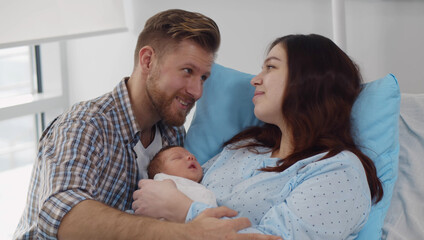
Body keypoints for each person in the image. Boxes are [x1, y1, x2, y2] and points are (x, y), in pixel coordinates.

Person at [14, 9, 280, 240]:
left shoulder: (172, 133)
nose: (198, 91)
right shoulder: (84, 125)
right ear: (148, 60)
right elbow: (62, 218)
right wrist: (189, 234)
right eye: (187, 71)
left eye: (204, 77)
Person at [132, 34, 384, 239]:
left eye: (270, 67)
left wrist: (185, 211)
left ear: (309, 82)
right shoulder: (243, 148)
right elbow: (186, 185)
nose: (255, 79)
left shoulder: (337, 170)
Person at [147, 145, 217, 208]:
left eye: (194, 158)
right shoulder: (161, 183)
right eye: (177, 157)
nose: (191, 157)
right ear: (161, 173)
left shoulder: (204, 185)